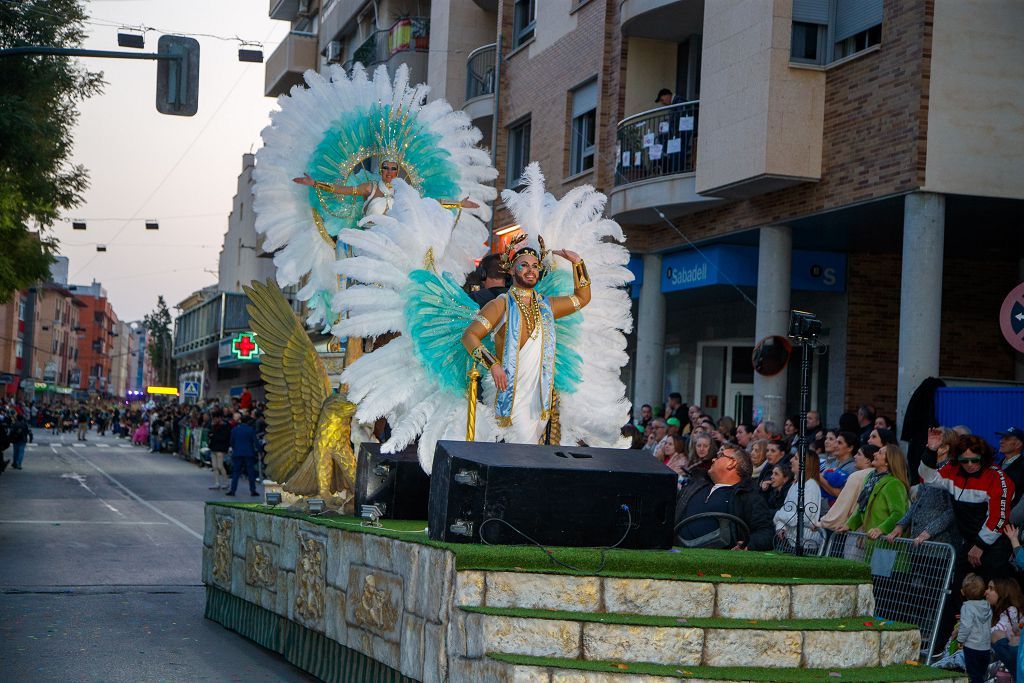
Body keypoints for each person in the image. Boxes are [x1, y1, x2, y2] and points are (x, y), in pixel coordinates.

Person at [461, 235, 591, 445]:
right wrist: (493, 364)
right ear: (511, 270)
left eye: (535, 266)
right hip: (510, 392)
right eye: (524, 265)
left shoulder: (547, 305)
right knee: (516, 451)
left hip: (540, 395)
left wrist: (577, 262)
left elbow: (582, 298)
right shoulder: (500, 304)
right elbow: (469, 336)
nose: (531, 270)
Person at [921, 430, 1014, 579]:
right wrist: (931, 451)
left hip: (995, 543)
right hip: (970, 541)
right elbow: (927, 478)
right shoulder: (953, 469)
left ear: (983, 457)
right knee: (959, 588)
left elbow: (999, 517)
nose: (970, 465)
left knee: (994, 592)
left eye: (974, 460)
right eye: (964, 461)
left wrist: (980, 545)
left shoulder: (996, 477)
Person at [674, 445, 774, 550]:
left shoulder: (748, 496)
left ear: (732, 463)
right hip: (675, 552)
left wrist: (748, 545)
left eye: (720, 456)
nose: (713, 459)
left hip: (717, 560)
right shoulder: (694, 485)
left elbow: (766, 533)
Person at [886, 427, 960, 547]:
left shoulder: (952, 471)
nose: (928, 445)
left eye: (935, 443)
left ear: (945, 448)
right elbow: (917, 502)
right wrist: (901, 525)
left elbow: (953, 510)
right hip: (918, 543)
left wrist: (929, 532)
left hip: (939, 547)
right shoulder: (930, 469)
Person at [842, 444, 910, 539]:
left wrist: (881, 529)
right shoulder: (870, 479)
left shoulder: (894, 484)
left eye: (880, 452)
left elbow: (899, 514)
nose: (874, 454)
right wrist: (849, 525)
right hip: (872, 543)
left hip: (887, 546)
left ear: (887, 462)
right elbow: (862, 509)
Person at [817, 444, 878, 532]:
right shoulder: (878, 476)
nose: (855, 456)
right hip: (871, 530)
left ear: (868, 460)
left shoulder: (857, 476)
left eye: (859, 454)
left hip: (853, 530)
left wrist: (822, 523)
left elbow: (843, 505)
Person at [775, 452, 824, 550]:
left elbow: (805, 517)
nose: (791, 460)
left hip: (805, 544)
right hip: (789, 540)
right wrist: (781, 526)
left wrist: (779, 515)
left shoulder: (811, 485)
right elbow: (786, 507)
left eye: (796, 458)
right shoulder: (795, 484)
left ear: (805, 464)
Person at [958, 573, 993, 683]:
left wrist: (960, 639)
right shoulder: (987, 606)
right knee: (981, 674)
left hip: (972, 647)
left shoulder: (967, 607)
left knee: (973, 675)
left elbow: (966, 626)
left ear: (963, 592)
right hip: (986, 647)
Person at [986, 577, 1023, 675]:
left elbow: (997, 630)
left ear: (1003, 592)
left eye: (991, 588)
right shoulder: (994, 611)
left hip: (1017, 656)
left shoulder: (1011, 610)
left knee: (995, 634)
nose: (986, 592)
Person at [818, 431, 859, 503]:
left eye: (839, 443)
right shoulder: (834, 463)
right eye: (836, 442)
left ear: (850, 448)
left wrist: (820, 478)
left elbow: (841, 494)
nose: (835, 446)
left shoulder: (852, 468)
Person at [227, 415, 260, 497]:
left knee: (236, 473)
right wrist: (260, 450)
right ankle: (253, 490)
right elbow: (255, 442)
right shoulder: (251, 430)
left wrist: (235, 449)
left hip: (238, 453)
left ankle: (232, 490)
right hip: (249, 453)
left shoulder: (235, 430)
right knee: (250, 473)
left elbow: (231, 441)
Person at [996, 427, 1024, 506]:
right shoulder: (995, 466)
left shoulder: (1022, 467)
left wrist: (1010, 517)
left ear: (1018, 444)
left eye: (1007, 439)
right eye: (1002, 438)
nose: (1001, 441)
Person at [207, 414, 231, 490]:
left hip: (220, 448)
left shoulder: (225, 426)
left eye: (215, 418)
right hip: (213, 447)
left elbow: (224, 437)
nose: (214, 420)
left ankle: (226, 482)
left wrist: (213, 435)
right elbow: (209, 434)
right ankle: (216, 483)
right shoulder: (214, 426)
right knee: (214, 466)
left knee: (220, 466)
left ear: (219, 418)